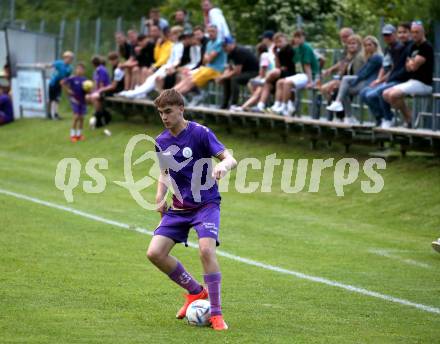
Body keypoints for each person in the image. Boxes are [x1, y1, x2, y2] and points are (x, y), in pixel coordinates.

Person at [147, 89, 236, 331]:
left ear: (181, 109)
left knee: (206, 251)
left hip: (206, 204)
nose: (164, 117)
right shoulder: (161, 141)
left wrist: (223, 167)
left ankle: (216, 313)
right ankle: (195, 292)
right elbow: (165, 173)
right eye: (160, 113)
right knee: (155, 253)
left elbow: (230, 158)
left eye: (168, 112)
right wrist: (159, 196)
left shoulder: (200, 133)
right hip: (179, 206)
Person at [383, 21, 433, 128]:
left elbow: (413, 66)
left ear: (423, 32)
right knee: (386, 93)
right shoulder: (413, 47)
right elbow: (408, 67)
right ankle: (409, 118)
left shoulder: (426, 47)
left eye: (417, 32)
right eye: (413, 32)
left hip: (423, 84)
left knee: (393, 94)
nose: (414, 34)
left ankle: (409, 120)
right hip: (412, 81)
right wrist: (412, 63)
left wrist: (412, 63)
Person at [360, 23, 411, 128]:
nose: (387, 37)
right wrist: (379, 80)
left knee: (379, 92)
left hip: (400, 80)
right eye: (385, 35)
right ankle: (381, 118)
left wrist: (383, 80)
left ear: (394, 35)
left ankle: (389, 118)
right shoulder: (389, 48)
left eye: (389, 34)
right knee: (365, 93)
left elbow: (394, 69)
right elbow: (385, 67)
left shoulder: (401, 47)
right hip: (391, 79)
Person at [326, 36, 383, 123]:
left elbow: (365, 73)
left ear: (375, 45)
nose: (367, 47)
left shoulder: (376, 57)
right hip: (364, 81)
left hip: (370, 83)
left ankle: (338, 104)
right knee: (344, 90)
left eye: (369, 45)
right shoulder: (369, 57)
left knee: (345, 83)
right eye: (366, 46)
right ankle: (348, 117)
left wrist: (353, 82)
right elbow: (361, 71)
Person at [118, 26, 183, 99]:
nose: (171, 36)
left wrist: (171, 67)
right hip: (165, 66)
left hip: (168, 66)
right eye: (171, 34)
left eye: (173, 34)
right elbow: (158, 57)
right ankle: (133, 92)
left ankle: (136, 94)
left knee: (152, 77)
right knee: (150, 79)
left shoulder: (177, 45)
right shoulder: (173, 45)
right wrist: (158, 45)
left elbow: (176, 60)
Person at [271, 29, 319, 116]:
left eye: (299, 37)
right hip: (301, 74)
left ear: (303, 38)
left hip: (309, 75)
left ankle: (285, 107)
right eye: (296, 37)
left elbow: (307, 65)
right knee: (279, 82)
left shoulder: (306, 48)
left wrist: (310, 81)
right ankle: (277, 104)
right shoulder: (297, 49)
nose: (297, 39)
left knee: (287, 83)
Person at [173, 25, 226, 98]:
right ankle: (170, 94)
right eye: (209, 31)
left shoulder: (219, 42)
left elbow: (209, 59)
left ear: (217, 32)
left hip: (215, 70)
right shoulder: (209, 43)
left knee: (191, 80)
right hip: (206, 68)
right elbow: (204, 61)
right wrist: (208, 57)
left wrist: (208, 57)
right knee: (188, 77)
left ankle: (173, 97)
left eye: (213, 31)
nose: (211, 33)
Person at [321, 34, 365, 121]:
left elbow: (358, 75)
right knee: (330, 89)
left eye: (354, 43)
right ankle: (336, 116)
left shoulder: (360, 57)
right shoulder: (347, 57)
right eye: (349, 44)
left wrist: (339, 82)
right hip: (346, 81)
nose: (351, 46)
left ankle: (342, 116)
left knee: (338, 90)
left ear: (359, 45)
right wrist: (335, 78)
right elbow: (341, 71)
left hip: (356, 82)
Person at [252, 32, 295, 112]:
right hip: (282, 73)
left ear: (285, 40)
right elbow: (278, 66)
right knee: (268, 84)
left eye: (280, 41)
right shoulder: (279, 52)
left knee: (274, 74)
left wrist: (281, 68)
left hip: (291, 73)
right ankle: (261, 105)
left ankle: (264, 80)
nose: (278, 44)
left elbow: (287, 66)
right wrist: (276, 55)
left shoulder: (290, 49)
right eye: (277, 42)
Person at [87, 52, 125, 133]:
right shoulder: (114, 67)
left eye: (112, 60)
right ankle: (101, 117)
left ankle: (100, 118)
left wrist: (102, 89)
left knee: (96, 96)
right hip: (115, 89)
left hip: (119, 90)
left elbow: (114, 86)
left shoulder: (118, 69)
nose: (111, 62)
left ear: (117, 59)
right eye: (110, 60)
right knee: (96, 98)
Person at [217, 36, 259, 110]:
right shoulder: (229, 53)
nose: (224, 48)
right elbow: (229, 68)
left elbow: (237, 71)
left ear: (232, 44)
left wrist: (222, 77)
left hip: (253, 73)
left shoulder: (239, 51)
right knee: (227, 79)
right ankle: (225, 104)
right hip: (244, 72)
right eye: (223, 46)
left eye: (225, 46)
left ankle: (234, 104)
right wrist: (222, 77)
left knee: (234, 79)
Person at [237, 43, 275, 111]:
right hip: (268, 77)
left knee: (256, 89)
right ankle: (255, 103)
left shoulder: (264, 56)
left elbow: (262, 71)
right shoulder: (270, 56)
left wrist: (258, 78)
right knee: (252, 84)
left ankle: (245, 107)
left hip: (267, 79)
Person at [61, 63, 88, 142]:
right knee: (76, 117)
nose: (80, 70)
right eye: (78, 69)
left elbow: (87, 90)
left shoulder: (85, 80)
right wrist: (68, 90)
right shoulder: (72, 78)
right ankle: (72, 135)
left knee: (82, 118)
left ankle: (79, 135)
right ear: (76, 70)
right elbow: (62, 82)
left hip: (82, 101)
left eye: (82, 69)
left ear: (84, 71)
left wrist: (88, 90)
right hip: (74, 100)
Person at [47, 51, 74, 120]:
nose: (70, 60)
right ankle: (49, 114)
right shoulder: (59, 63)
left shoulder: (70, 68)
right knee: (51, 99)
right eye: (69, 58)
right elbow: (50, 65)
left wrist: (68, 87)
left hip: (60, 84)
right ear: (65, 58)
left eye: (71, 59)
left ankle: (56, 114)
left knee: (57, 99)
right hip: (53, 83)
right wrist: (43, 66)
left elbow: (67, 78)